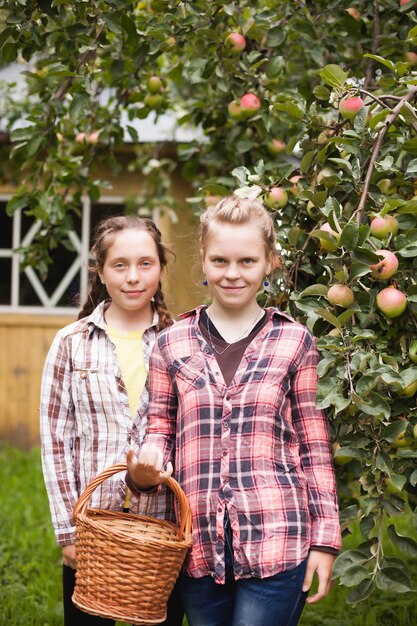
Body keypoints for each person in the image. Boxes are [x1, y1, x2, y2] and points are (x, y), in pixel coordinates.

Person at [126, 195, 342, 626]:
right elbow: (158, 429)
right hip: (199, 544)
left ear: (269, 263)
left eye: (247, 261)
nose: (233, 273)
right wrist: (144, 471)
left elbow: (314, 447)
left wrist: (325, 540)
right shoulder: (171, 343)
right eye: (220, 260)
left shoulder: (295, 342)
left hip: (279, 535)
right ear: (204, 261)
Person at [40, 215, 184, 626]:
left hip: (162, 529)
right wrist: (69, 532)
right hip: (92, 526)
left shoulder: (181, 341)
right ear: (100, 272)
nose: (133, 277)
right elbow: (55, 440)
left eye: (146, 264)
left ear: (160, 267)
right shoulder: (72, 343)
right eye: (119, 265)